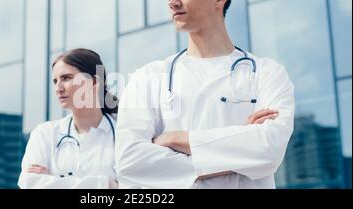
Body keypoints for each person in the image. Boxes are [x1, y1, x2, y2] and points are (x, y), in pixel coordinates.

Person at [115, 0, 295, 189]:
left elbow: (268, 150)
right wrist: (239, 152)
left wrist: (174, 139)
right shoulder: (147, 77)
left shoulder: (267, 73)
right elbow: (129, 161)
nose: (173, 3)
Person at [18, 48, 119, 189]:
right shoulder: (45, 134)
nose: (58, 88)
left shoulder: (123, 134)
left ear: (94, 82)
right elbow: (30, 184)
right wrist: (104, 184)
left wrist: (53, 182)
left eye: (66, 78)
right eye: (55, 81)